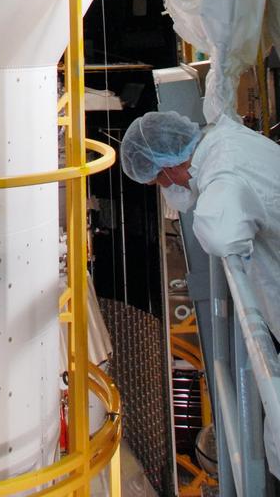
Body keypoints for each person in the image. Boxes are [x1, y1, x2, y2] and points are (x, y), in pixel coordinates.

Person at [121, 109, 280, 476]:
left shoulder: (223, 175)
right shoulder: (229, 140)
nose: (168, 192)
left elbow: (220, 233)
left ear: (168, 169)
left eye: (159, 184)